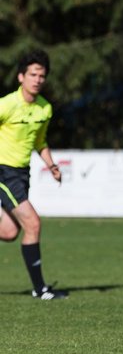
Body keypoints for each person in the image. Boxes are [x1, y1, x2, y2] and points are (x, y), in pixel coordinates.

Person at [0, 50, 68, 299]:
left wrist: (51, 166)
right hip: (2, 173)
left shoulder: (44, 109)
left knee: (8, 232)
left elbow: (40, 142)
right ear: (21, 77)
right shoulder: (6, 105)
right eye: (32, 74)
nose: (37, 79)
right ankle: (40, 289)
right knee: (33, 223)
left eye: (42, 75)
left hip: (21, 174)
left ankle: (40, 289)